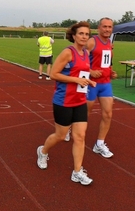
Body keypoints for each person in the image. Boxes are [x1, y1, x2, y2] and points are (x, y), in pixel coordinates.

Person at [36, 21, 96, 186]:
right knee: (61, 136)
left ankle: (77, 171)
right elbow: (54, 74)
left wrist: (88, 81)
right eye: (81, 34)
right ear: (74, 35)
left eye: (86, 34)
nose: (84, 36)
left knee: (80, 136)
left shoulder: (85, 53)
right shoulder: (67, 53)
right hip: (63, 100)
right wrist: (76, 79)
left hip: (80, 100)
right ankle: (43, 151)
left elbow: (81, 73)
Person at [85, 17, 117, 158]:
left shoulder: (110, 43)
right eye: (104, 26)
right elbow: (80, 60)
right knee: (85, 114)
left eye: (110, 27)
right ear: (98, 28)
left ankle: (99, 144)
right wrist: (90, 71)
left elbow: (108, 62)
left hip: (105, 84)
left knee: (108, 114)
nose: (107, 29)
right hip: (91, 83)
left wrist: (112, 71)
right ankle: (70, 128)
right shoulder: (92, 42)